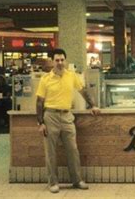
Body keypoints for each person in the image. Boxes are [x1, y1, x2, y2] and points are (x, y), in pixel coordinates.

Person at [36, 48, 100, 193]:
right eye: (57, 60)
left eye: (62, 60)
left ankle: (77, 180)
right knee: (50, 152)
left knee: (73, 149)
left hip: (67, 116)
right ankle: (53, 182)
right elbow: (39, 102)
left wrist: (93, 105)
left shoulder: (71, 76)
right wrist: (40, 123)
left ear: (65, 60)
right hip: (50, 116)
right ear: (52, 61)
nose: (60, 63)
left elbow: (83, 91)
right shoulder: (45, 79)